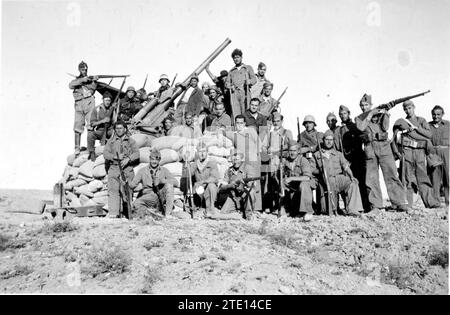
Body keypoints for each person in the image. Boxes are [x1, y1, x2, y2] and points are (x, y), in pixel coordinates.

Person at [355, 94, 409, 212]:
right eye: (362, 105)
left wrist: (385, 113)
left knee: (391, 174)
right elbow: (361, 128)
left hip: (384, 146)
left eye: (366, 105)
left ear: (371, 105)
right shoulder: (359, 118)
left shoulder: (379, 114)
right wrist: (370, 114)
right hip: (370, 147)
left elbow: (385, 128)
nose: (364, 107)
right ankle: (376, 205)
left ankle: (400, 203)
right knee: (371, 178)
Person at [391, 101, 440, 208]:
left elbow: (429, 135)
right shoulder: (401, 123)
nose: (408, 110)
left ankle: (431, 203)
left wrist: (417, 128)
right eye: (406, 109)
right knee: (407, 179)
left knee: (423, 178)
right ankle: (407, 204)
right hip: (407, 151)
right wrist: (396, 152)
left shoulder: (421, 120)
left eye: (410, 108)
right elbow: (394, 139)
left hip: (419, 152)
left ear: (414, 107)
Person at [312, 130, 364, 216]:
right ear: (323, 140)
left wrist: (352, 176)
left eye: (331, 140)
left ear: (333, 141)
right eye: (327, 139)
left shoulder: (338, 154)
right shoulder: (317, 155)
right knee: (329, 210)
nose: (329, 142)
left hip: (339, 179)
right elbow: (312, 169)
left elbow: (346, 167)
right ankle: (333, 209)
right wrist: (321, 171)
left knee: (352, 183)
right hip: (326, 180)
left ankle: (353, 209)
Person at [224, 115, 263, 212]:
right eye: (237, 123)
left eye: (241, 123)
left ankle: (257, 208)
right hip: (243, 162)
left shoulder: (250, 131)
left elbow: (259, 143)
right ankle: (244, 206)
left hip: (253, 159)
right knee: (244, 183)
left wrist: (256, 155)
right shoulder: (234, 134)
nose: (239, 125)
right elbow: (224, 133)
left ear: (245, 123)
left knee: (255, 182)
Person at [103, 121, 140, 218]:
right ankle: (114, 214)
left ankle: (128, 213)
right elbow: (105, 154)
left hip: (127, 168)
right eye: (117, 128)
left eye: (121, 128)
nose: (119, 130)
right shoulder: (110, 142)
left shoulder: (131, 141)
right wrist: (116, 157)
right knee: (113, 190)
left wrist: (128, 159)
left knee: (128, 190)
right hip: (114, 167)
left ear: (125, 129)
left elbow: (137, 154)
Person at [336, 105, 369, 211]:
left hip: (358, 157)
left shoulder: (355, 126)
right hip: (347, 160)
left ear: (349, 113)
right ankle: (351, 207)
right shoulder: (339, 130)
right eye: (340, 114)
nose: (342, 116)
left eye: (344, 113)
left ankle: (366, 206)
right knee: (350, 182)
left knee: (362, 182)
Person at [261, 113, 294, 213]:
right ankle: (271, 206)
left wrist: (277, 150)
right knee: (271, 184)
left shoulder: (287, 132)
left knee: (282, 183)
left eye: (278, 121)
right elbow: (263, 146)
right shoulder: (270, 134)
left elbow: (291, 146)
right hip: (272, 162)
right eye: (274, 121)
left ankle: (283, 206)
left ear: (282, 121)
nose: (276, 123)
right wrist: (267, 151)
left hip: (282, 162)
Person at [129, 149, 176, 219]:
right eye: (152, 159)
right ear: (149, 159)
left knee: (169, 185)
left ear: (159, 160)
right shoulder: (142, 171)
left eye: (156, 160)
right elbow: (133, 185)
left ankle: (168, 214)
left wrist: (161, 181)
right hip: (148, 197)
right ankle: (151, 213)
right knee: (136, 204)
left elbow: (175, 182)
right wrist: (126, 183)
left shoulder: (164, 170)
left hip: (160, 196)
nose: (154, 162)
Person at [68, 61, 98, 156]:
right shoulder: (77, 80)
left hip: (89, 102)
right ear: (79, 70)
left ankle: (90, 147)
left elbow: (93, 88)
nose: (84, 71)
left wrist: (92, 80)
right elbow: (70, 85)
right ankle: (77, 148)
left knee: (90, 125)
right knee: (77, 126)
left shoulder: (91, 80)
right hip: (79, 104)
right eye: (82, 69)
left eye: (85, 69)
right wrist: (82, 80)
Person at [219, 152, 257, 220]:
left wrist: (242, 184)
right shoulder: (229, 171)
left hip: (245, 194)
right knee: (223, 212)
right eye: (233, 160)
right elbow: (222, 187)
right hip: (234, 196)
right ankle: (239, 209)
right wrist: (230, 185)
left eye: (237, 159)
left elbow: (251, 184)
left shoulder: (248, 168)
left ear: (242, 159)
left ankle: (249, 214)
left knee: (250, 192)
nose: (235, 162)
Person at [184, 143, 220, 216]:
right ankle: (196, 208)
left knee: (211, 186)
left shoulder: (212, 163)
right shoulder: (195, 164)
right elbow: (188, 174)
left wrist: (203, 182)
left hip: (208, 189)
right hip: (199, 190)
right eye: (200, 152)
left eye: (204, 151)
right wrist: (186, 163)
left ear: (207, 152)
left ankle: (210, 209)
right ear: (197, 153)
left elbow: (215, 178)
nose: (202, 154)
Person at [281, 144, 314, 221]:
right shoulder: (286, 161)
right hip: (293, 188)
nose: (292, 153)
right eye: (290, 151)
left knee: (304, 184)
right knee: (281, 183)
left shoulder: (303, 160)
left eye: (294, 151)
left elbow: (307, 177)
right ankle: (284, 208)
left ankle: (308, 212)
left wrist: (292, 178)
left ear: (298, 151)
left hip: (304, 186)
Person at [225, 49, 257, 117]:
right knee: (236, 113)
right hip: (235, 94)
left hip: (245, 93)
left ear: (241, 57)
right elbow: (227, 83)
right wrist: (230, 86)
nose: (236, 59)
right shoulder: (231, 71)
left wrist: (249, 82)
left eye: (238, 57)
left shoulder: (247, 68)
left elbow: (254, 79)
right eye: (234, 58)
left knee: (246, 111)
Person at [428, 105, 449, 206]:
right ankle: (436, 202)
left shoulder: (448, 125)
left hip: (446, 152)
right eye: (434, 114)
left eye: (438, 114)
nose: (436, 116)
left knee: (448, 177)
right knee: (435, 178)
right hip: (433, 153)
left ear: (442, 114)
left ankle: (448, 202)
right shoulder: (427, 126)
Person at [87, 92, 115, 161]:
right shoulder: (97, 109)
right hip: (100, 130)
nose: (107, 102)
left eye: (109, 100)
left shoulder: (113, 109)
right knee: (90, 135)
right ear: (102, 100)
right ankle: (91, 152)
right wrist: (102, 121)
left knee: (117, 135)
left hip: (109, 130)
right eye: (106, 100)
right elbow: (92, 124)